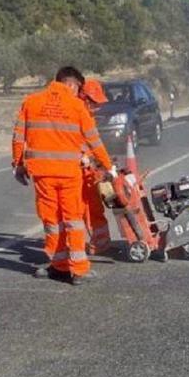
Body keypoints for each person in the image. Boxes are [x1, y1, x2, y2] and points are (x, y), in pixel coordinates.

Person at [11, 66, 112, 285]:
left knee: (52, 221)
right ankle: (78, 270)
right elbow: (94, 140)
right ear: (71, 85)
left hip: (42, 175)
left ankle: (59, 265)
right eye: (78, 89)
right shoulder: (76, 106)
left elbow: (18, 137)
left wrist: (18, 165)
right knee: (73, 220)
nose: (79, 94)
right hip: (69, 175)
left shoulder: (31, 102)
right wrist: (107, 166)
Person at [76, 77, 113, 255]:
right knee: (82, 208)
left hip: (88, 167)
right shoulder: (76, 113)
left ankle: (101, 241)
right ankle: (89, 242)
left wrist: (99, 163)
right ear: (84, 97)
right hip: (78, 168)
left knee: (94, 206)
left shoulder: (88, 115)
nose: (98, 107)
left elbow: (92, 143)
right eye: (94, 102)